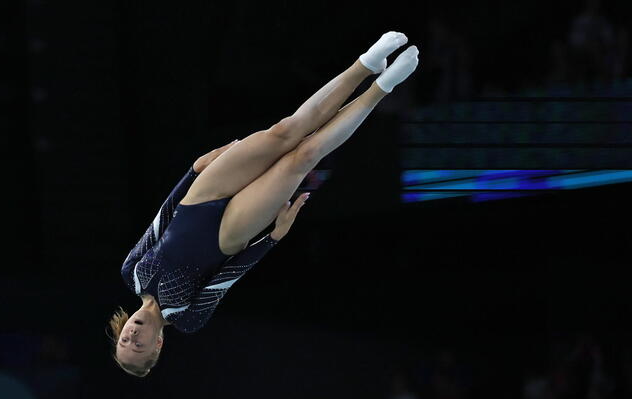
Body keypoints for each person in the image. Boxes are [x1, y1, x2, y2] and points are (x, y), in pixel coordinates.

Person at [106, 32, 419, 376]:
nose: (132, 336)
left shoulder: (131, 273)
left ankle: (367, 64)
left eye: (125, 341)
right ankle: (384, 86)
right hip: (228, 234)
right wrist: (273, 238)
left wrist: (193, 170)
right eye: (139, 346)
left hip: (198, 198)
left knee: (285, 131)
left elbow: (160, 220)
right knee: (302, 157)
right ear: (157, 345)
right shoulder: (186, 318)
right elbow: (227, 277)